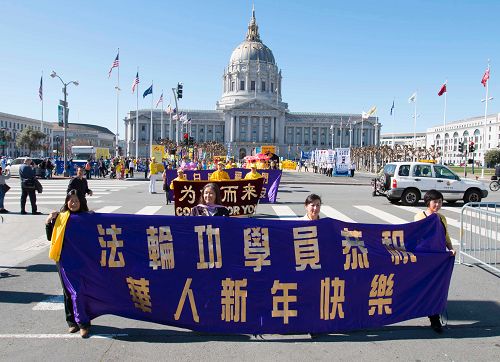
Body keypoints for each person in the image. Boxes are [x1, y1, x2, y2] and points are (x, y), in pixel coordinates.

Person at [46, 189, 91, 338]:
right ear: (66, 202)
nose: (73, 203)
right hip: (64, 260)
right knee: (68, 291)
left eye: (77, 201)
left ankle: (84, 323)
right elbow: (49, 237)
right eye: (71, 200)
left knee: (82, 291)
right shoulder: (60, 218)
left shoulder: (86, 218)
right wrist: (48, 222)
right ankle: (72, 322)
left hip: (82, 260)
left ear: (81, 203)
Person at [414, 189, 455, 334]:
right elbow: (414, 236)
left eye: (440, 202)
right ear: (428, 203)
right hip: (423, 258)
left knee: (435, 288)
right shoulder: (420, 216)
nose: (437, 205)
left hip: (438, 259)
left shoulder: (442, 218)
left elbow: (446, 236)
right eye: (435, 202)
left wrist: (450, 249)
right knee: (421, 287)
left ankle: (434, 318)